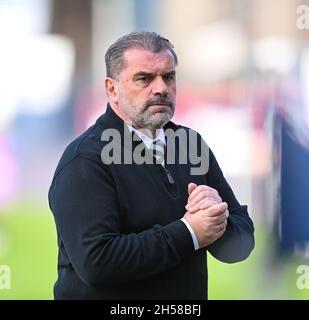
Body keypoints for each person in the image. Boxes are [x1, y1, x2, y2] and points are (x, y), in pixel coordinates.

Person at [48, 31, 255, 300]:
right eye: (144, 78)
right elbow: (97, 263)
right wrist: (190, 232)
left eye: (168, 77)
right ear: (112, 89)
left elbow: (240, 246)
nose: (160, 88)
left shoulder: (190, 144)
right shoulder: (85, 160)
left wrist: (218, 216)